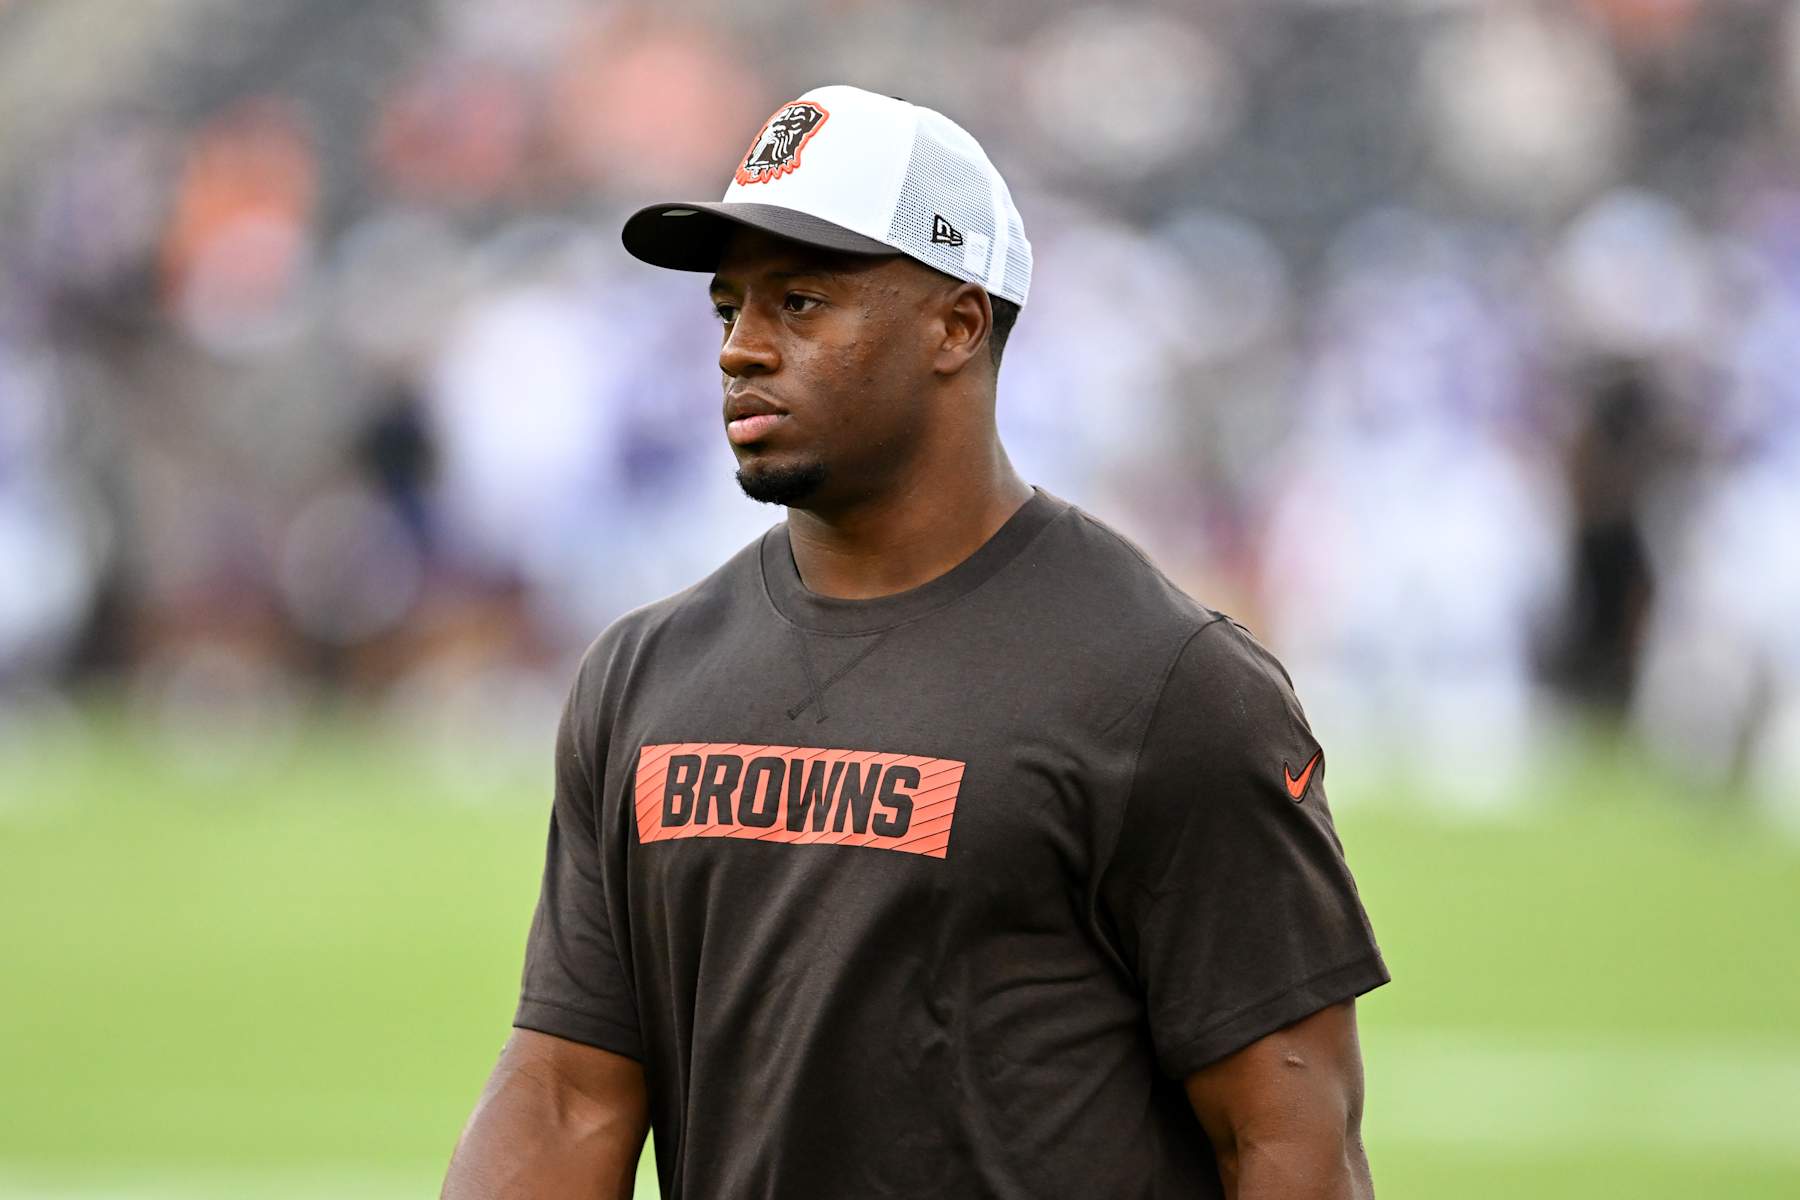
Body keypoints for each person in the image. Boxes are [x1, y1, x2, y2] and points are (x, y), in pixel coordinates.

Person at [442, 85, 1387, 1200]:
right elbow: (567, 1094)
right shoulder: (644, 675)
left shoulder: (1170, 685)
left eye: (799, 302)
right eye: (728, 307)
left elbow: (1288, 1141)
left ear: (957, 323)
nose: (741, 350)